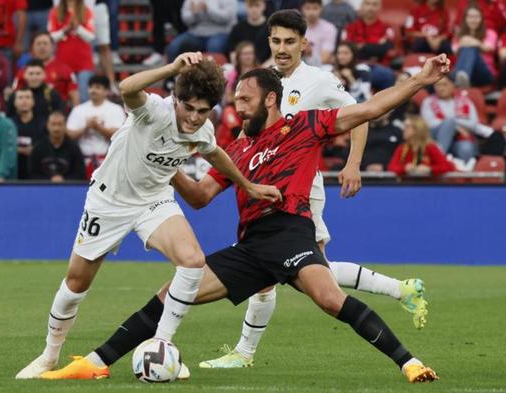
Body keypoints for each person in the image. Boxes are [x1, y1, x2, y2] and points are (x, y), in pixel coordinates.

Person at [40, 55, 449, 383]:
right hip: (251, 246)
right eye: (235, 98)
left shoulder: (305, 125)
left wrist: (419, 80)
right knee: (172, 295)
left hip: (290, 232)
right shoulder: (234, 149)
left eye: (244, 98)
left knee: (328, 299)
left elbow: (372, 108)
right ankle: (94, 361)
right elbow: (199, 198)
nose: (237, 104)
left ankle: (409, 363)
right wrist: (161, 162)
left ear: (270, 100)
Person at [14, 52, 282, 379]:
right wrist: (171, 68)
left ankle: (162, 346)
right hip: (109, 201)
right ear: (176, 99)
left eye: (203, 110)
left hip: (153, 201)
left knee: (193, 261)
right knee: (76, 283)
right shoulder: (154, 111)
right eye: (189, 108)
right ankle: (49, 355)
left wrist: (248, 185)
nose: (195, 117)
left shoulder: (202, 129)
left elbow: (216, 153)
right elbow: (127, 88)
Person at [199, 9, 427, 370]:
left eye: (290, 41)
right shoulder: (261, 79)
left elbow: (360, 114)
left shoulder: (319, 80)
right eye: (276, 40)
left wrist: (353, 163)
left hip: (301, 186)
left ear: (305, 43)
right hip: (259, 187)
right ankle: (400, 289)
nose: (282, 48)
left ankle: (244, 353)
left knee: (298, 272)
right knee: (298, 271)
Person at [420, 75, 491, 162]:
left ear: (452, 85)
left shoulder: (465, 101)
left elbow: (473, 123)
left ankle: (464, 172)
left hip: (458, 140)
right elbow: (430, 124)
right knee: (449, 122)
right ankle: (438, 159)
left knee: (466, 148)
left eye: (444, 84)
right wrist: (456, 127)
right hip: (436, 139)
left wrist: (455, 122)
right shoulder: (428, 102)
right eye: (438, 85)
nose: (441, 88)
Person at [66, 75, 124, 178]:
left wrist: (98, 127)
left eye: (97, 87)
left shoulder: (115, 109)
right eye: (91, 87)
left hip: (107, 161)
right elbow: (69, 135)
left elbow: (119, 135)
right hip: (81, 161)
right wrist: (86, 128)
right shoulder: (78, 109)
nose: (93, 90)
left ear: (106, 91)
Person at [13, 31, 80, 107]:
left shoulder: (65, 70)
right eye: (38, 44)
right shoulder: (24, 71)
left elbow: (74, 96)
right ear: (32, 48)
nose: (42, 47)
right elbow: (14, 95)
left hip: (58, 113)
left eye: (45, 43)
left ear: (53, 47)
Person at [48, 0, 95, 102]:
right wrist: (65, 30)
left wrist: (77, 28)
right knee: (62, 97)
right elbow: (51, 37)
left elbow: (91, 37)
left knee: (83, 97)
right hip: (63, 62)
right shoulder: (55, 12)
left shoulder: (86, 11)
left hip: (84, 63)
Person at [167, 0, 237, 62]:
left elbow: (227, 18)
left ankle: (213, 76)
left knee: (214, 48)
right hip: (195, 33)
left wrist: (208, 9)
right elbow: (185, 20)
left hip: (219, 33)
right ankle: (171, 75)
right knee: (174, 46)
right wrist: (194, 14)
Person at [388, 115, 455, 177]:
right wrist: (404, 168)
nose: (403, 129)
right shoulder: (402, 148)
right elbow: (391, 167)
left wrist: (429, 169)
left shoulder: (430, 147)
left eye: (407, 127)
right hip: (407, 186)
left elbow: (447, 166)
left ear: (417, 130)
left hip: (428, 186)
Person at [30, 110, 86, 181]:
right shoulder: (38, 148)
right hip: (43, 188)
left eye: (59, 124)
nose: (56, 128)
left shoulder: (74, 148)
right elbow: (32, 174)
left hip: (68, 188)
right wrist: (49, 180)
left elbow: (80, 174)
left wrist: (64, 180)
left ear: (65, 126)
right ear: (47, 125)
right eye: (53, 124)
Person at [7, 59, 65, 125]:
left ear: (44, 75)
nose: (34, 77)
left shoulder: (53, 95)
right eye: (31, 73)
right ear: (24, 75)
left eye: (38, 73)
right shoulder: (16, 96)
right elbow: (9, 119)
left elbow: (60, 118)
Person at [452, 5, 497, 88]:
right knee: (468, 48)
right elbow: (454, 51)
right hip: (463, 70)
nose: (473, 20)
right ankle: (463, 78)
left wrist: (474, 42)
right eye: (470, 17)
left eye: (476, 17)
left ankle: (462, 77)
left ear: (482, 19)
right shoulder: (458, 35)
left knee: (471, 48)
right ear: (465, 19)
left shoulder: (490, 33)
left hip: (484, 74)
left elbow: (488, 48)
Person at [8, 87, 47, 179]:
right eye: (20, 98)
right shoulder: (8, 124)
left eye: (28, 97)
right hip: (13, 173)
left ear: (33, 101)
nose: (24, 101)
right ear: (14, 102)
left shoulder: (43, 124)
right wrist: (19, 150)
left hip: (37, 174)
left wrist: (34, 150)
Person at [227, 0, 271, 64]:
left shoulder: (271, 28)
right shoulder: (237, 28)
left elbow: (275, 54)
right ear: (245, 7)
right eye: (250, 6)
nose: (254, 9)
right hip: (243, 69)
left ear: (264, 6)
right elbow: (233, 53)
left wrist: (263, 68)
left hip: (266, 68)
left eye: (257, 5)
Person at [301, 0, 337, 67]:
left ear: (321, 9)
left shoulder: (329, 28)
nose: (311, 12)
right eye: (308, 8)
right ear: (302, 9)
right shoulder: (295, 27)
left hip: (320, 66)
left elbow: (324, 58)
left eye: (315, 8)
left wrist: (310, 53)